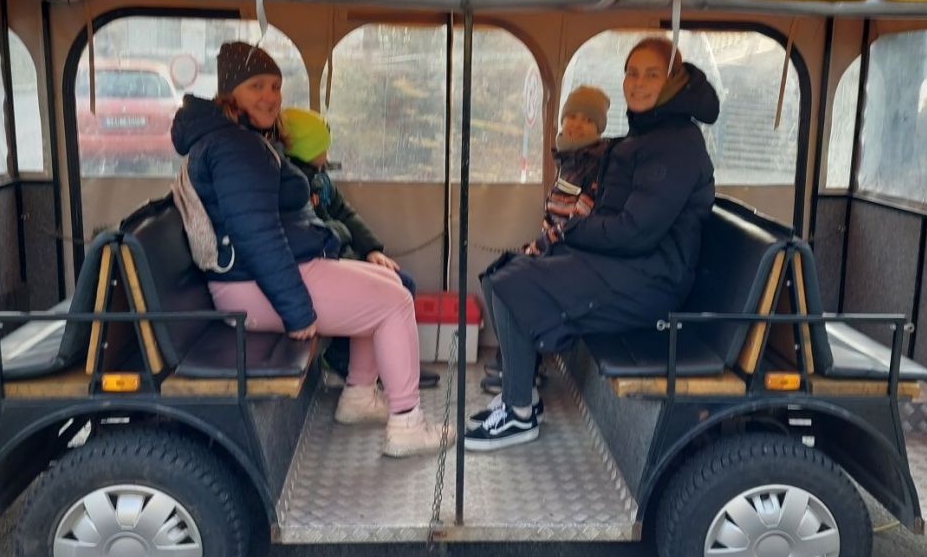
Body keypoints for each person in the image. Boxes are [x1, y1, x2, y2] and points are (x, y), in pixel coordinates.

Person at [170, 41, 451, 458]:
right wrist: (295, 309)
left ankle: (359, 396)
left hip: (264, 276)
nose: (270, 96)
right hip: (252, 287)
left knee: (389, 284)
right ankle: (407, 424)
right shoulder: (234, 147)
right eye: (256, 86)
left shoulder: (242, 139)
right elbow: (256, 234)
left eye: (275, 86)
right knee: (395, 303)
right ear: (230, 93)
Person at [466, 37, 719, 451]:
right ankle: (521, 393)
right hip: (629, 266)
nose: (638, 83)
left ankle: (518, 415)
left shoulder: (676, 145)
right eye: (631, 73)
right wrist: (560, 240)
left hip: (652, 281)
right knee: (504, 272)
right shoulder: (647, 135)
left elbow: (636, 231)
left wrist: (568, 233)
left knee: (513, 286)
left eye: (652, 74)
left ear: (673, 82)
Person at [281, 106, 439, 388]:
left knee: (402, 282)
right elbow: (322, 232)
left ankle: (395, 365)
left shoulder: (320, 179)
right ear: (308, 148)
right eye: (322, 147)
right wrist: (345, 238)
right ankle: (343, 360)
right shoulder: (294, 183)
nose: (327, 153)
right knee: (398, 288)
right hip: (322, 264)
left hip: (341, 255)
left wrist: (371, 250)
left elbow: (345, 213)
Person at [478, 84, 613, 398]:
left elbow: (578, 220)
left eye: (588, 120)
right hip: (558, 247)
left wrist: (539, 247)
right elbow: (553, 215)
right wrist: (538, 243)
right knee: (492, 277)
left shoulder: (597, 164)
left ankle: (523, 376)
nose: (577, 124)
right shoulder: (570, 159)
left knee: (509, 284)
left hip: (575, 255)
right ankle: (517, 364)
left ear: (599, 129)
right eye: (572, 116)